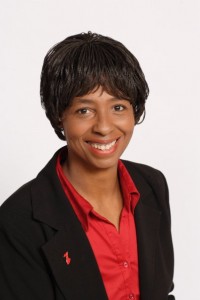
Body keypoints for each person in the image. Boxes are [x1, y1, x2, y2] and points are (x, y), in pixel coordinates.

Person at [0, 32, 175, 300]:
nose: (104, 127)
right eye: (85, 110)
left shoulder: (151, 184)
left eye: (118, 107)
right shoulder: (18, 219)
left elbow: (162, 291)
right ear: (60, 116)